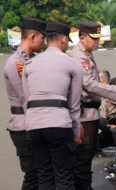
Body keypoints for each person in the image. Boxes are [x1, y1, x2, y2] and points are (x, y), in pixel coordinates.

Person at [70, 21, 116, 190]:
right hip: (84, 114)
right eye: (94, 38)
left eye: (98, 38)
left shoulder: (86, 54)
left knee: (86, 158)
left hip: (90, 113)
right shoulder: (79, 57)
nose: (97, 42)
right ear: (82, 38)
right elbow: (90, 85)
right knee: (83, 159)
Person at [22, 22, 83, 190]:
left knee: (45, 176)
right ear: (64, 39)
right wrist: (76, 132)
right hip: (59, 124)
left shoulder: (29, 64)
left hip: (33, 126)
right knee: (64, 176)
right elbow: (74, 105)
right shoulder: (73, 65)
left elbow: (26, 100)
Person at [3, 17, 46, 190]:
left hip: (35, 123)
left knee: (42, 173)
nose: (44, 42)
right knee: (33, 174)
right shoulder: (15, 63)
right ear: (33, 36)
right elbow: (26, 97)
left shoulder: (35, 60)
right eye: (42, 38)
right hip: (23, 125)